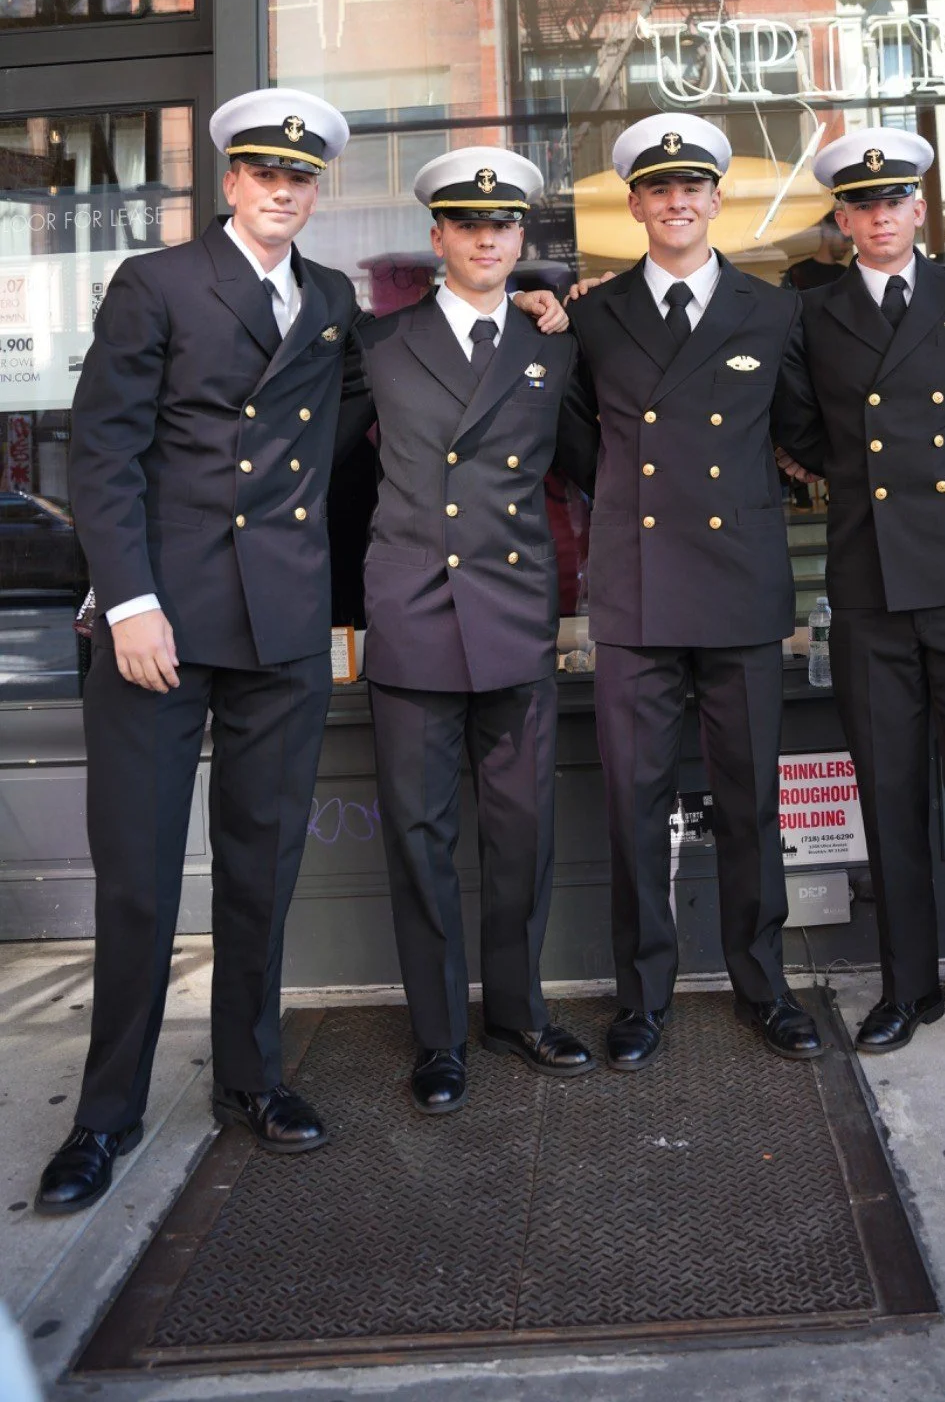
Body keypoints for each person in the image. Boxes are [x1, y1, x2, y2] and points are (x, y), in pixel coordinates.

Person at [36, 89, 359, 1214]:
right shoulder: (158, 283)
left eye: (302, 176)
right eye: (265, 171)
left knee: (263, 871)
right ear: (228, 180)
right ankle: (105, 1113)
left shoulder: (330, 298)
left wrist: (542, 310)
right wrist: (125, 602)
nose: (283, 189)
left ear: (318, 191)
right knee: (137, 878)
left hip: (280, 630)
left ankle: (252, 1079)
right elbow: (104, 451)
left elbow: (376, 421)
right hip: (159, 627)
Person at [782, 129, 945, 1075]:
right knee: (887, 796)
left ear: (919, 211)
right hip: (868, 583)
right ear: (842, 220)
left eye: (894, 200)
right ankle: (906, 988)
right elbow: (798, 425)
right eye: (860, 205)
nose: (879, 216)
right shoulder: (809, 312)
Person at [566, 114, 820, 1070]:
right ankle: (641, 999)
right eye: (658, 190)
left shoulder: (773, 312)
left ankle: (764, 986)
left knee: (751, 800)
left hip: (742, 588)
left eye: (693, 188)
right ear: (634, 206)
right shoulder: (593, 314)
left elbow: (805, 429)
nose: (677, 202)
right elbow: (575, 438)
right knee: (633, 806)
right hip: (636, 593)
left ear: (718, 201)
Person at [353, 148, 598, 1113]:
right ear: (438, 239)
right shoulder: (376, 344)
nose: (488, 237)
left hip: (511, 614)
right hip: (413, 614)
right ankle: (438, 1035)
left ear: (521, 241)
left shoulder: (554, 346)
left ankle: (519, 1011)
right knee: (419, 837)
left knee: (521, 830)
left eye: (504, 227)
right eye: (468, 225)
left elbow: (594, 460)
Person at [781, 210, 853, 292]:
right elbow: (784, 303)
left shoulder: (847, 275)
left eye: (851, 241)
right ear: (828, 233)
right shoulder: (797, 274)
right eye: (846, 239)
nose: (848, 246)